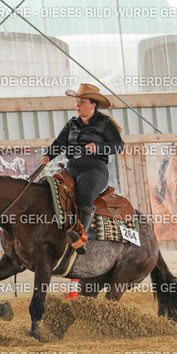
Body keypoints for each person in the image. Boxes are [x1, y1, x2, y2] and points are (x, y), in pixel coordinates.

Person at [41, 83, 124, 254]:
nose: (77, 105)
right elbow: (59, 143)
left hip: (94, 168)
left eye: (82, 102)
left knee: (84, 198)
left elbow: (118, 145)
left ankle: (81, 236)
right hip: (71, 167)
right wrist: (48, 155)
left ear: (93, 105)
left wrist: (98, 148)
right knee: (51, 192)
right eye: (76, 102)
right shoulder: (72, 123)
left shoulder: (104, 123)